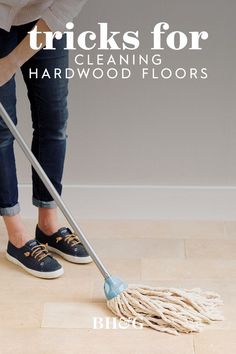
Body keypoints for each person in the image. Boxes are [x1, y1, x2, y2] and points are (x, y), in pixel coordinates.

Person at [0, 0, 92, 279]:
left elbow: (65, 7)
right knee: (3, 129)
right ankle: (16, 237)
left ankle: (48, 226)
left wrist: (10, 63)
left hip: (44, 18)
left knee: (53, 122)